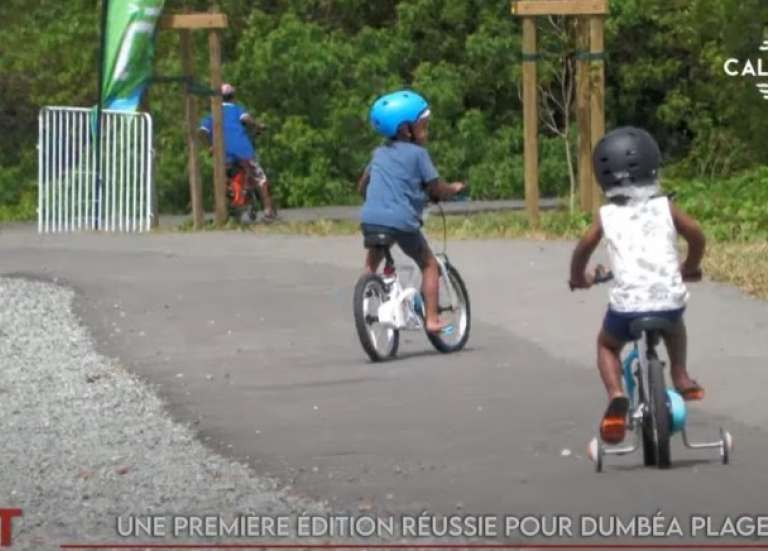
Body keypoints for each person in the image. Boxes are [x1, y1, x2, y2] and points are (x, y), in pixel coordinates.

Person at [569, 126, 706, 445]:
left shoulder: (606, 216)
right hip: (669, 299)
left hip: (627, 308)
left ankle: (617, 394)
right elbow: (696, 234)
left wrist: (579, 277)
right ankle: (681, 375)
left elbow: (583, 248)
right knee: (675, 324)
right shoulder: (665, 207)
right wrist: (690, 266)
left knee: (607, 345)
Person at [358, 90, 465, 334]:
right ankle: (432, 320)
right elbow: (436, 187)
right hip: (401, 221)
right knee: (429, 264)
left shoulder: (378, 154)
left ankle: (365, 289)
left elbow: (362, 185)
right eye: (423, 126)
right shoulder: (419, 154)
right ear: (407, 130)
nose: (426, 131)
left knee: (372, 261)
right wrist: (453, 189)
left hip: (371, 218)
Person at [199, 83, 276, 220]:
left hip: (223, 153)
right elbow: (246, 119)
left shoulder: (212, 115)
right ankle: (268, 209)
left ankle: (227, 204)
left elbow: (202, 131)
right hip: (243, 151)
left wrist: (210, 146)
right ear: (232, 97)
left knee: (223, 176)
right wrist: (257, 125)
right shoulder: (236, 109)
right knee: (259, 177)